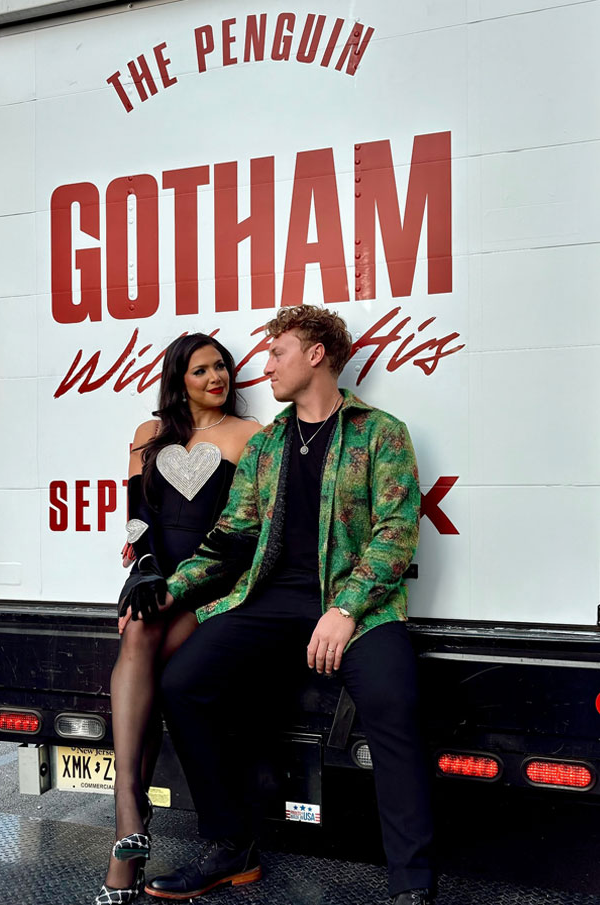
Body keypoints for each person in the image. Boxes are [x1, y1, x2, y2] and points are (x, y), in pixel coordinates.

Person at [145, 306, 436, 905]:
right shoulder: (268, 444)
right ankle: (231, 847)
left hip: (356, 607)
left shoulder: (380, 433)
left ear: (316, 354)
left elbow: (397, 532)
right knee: (184, 683)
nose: (265, 364)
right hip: (270, 600)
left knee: (394, 701)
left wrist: (346, 608)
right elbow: (230, 538)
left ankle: (411, 883)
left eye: (278, 351)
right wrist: (168, 589)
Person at [95, 333, 261, 905]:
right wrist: (143, 569)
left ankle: (129, 822)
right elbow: (139, 518)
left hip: (210, 584)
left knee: (150, 663)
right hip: (155, 576)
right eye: (201, 371)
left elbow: (246, 527)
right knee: (138, 631)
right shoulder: (148, 435)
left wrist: (180, 584)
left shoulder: (250, 436)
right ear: (179, 379)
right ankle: (129, 817)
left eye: (221, 367)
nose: (217, 378)